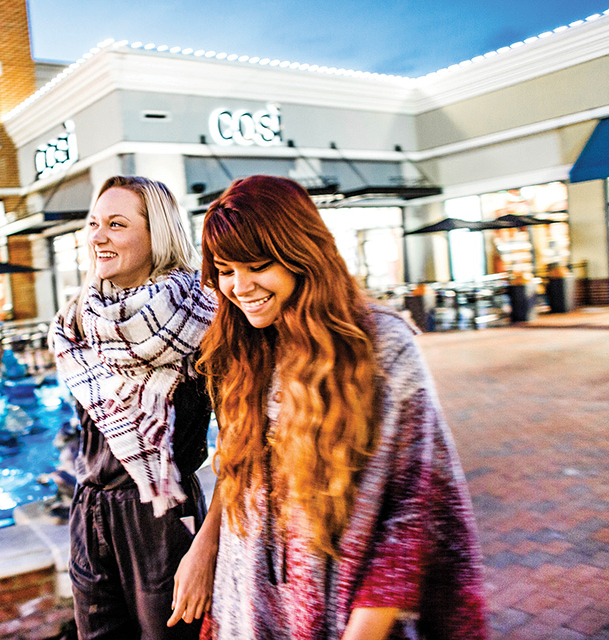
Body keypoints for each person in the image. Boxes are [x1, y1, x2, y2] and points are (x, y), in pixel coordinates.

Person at [173, 176, 486, 640]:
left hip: (344, 610)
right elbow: (237, 469)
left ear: (302, 254)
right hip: (246, 600)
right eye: (224, 269)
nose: (239, 287)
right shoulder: (246, 347)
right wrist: (205, 546)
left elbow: (415, 510)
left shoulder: (380, 346)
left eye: (257, 265)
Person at [51, 175, 217, 639]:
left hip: (162, 519)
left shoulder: (199, 316)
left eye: (116, 225)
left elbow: (245, 441)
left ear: (156, 235)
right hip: (90, 510)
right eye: (94, 223)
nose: (97, 237)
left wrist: (205, 547)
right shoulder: (79, 320)